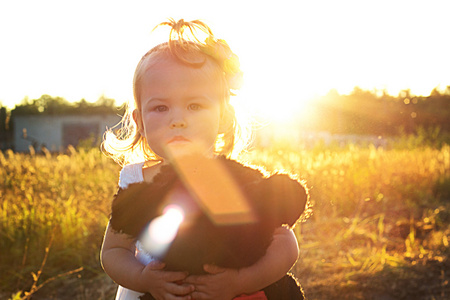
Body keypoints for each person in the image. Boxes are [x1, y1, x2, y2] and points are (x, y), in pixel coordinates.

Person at [101, 18, 305, 300]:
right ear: (139, 122)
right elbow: (114, 251)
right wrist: (144, 279)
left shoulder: (235, 181)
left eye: (194, 105)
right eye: (160, 107)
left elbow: (285, 244)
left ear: (223, 117)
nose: (178, 120)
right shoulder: (137, 181)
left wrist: (241, 281)